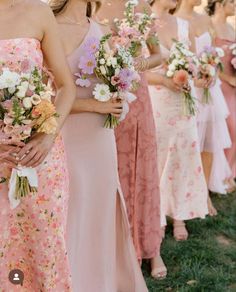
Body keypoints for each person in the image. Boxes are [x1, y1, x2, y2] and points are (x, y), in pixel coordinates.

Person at [50, 0, 149, 291]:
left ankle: (103, 282)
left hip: (100, 141)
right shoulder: (48, 27)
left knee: (101, 206)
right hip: (64, 137)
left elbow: (116, 85)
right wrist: (94, 104)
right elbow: (45, 97)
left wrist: (119, 104)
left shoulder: (102, 31)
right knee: (71, 209)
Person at [0, 0, 76, 290]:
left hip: (40, 158)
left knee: (43, 248)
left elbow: (65, 86)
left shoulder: (39, 11)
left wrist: (48, 136)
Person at [97, 0, 167, 279]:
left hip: (137, 101)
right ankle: (113, 248)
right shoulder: (91, 8)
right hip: (104, 101)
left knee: (143, 171)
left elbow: (158, 55)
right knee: (110, 174)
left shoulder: (141, 10)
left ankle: (151, 248)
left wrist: (134, 64)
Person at [147, 0, 209, 242]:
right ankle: (158, 215)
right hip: (158, 102)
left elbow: (195, 65)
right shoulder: (142, 22)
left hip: (183, 101)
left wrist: (202, 76)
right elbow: (136, 69)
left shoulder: (184, 24)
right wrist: (164, 81)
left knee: (183, 155)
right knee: (159, 157)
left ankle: (180, 215)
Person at [175, 0, 232, 199]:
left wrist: (213, 70)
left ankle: (204, 194)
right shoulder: (174, 20)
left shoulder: (205, 19)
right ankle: (185, 191)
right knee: (189, 143)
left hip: (210, 88)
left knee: (209, 142)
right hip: (189, 88)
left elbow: (213, 53)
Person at [208, 0, 236, 192]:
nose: (234, 5)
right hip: (219, 84)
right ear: (219, 3)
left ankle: (230, 174)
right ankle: (220, 174)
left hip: (233, 84)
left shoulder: (232, 28)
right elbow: (207, 59)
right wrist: (227, 78)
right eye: (231, 2)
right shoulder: (209, 25)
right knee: (227, 128)